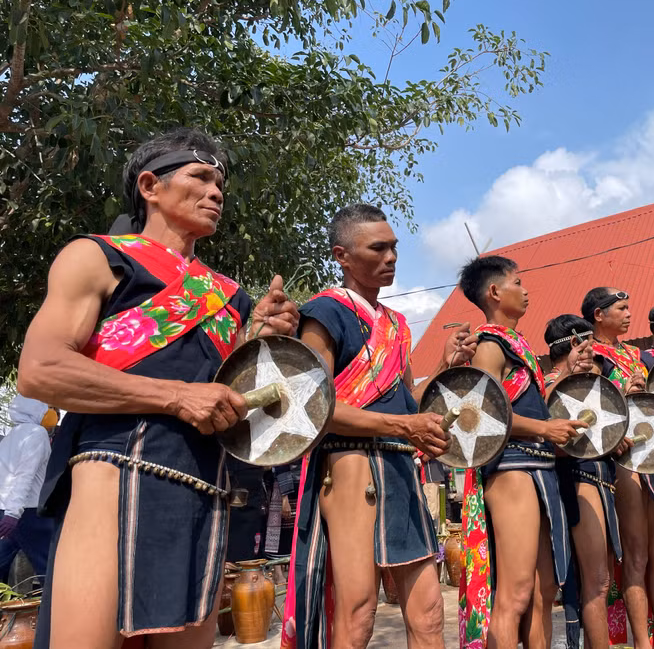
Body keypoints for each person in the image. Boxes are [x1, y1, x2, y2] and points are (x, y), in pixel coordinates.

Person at [18, 128, 300, 649]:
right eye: (200, 177)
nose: (217, 193)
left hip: (205, 486)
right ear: (150, 185)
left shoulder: (229, 297)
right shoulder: (97, 257)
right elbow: (42, 370)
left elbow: (226, 401)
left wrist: (262, 339)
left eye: (221, 185)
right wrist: (175, 396)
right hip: (111, 474)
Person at [286, 203, 476, 649]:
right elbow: (311, 404)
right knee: (358, 611)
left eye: (394, 247)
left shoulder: (396, 325)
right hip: (350, 461)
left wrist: (447, 364)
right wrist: (403, 424)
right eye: (378, 248)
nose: (391, 257)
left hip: (399, 467)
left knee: (430, 612)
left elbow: (405, 398)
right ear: (342, 255)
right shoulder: (323, 312)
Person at [459, 256, 585, 648]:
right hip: (513, 465)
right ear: (495, 292)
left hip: (539, 466)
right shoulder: (490, 346)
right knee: (514, 594)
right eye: (517, 282)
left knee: (544, 591)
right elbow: (479, 413)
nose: (526, 289)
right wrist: (544, 428)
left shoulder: (517, 344)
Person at [583, 290, 654, 649]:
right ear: (599, 315)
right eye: (621, 309)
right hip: (622, 459)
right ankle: (641, 640)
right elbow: (593, 405)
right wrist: (625, 389)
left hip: (651, 451)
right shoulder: (591, 355)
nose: (629, 314)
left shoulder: (634, 354)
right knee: (637, 554)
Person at [544, 314, 627, 649]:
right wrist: (566, 372)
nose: (593, 350)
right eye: (587, 343)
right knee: (596, 579)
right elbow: (548, 429)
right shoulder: (550, 381)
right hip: (575, 479)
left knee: (600, 578)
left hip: (599, 478)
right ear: (573, 344)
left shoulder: (587, 380)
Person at [0, 395, 56, 584]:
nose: (51, 413)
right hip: (28, 512)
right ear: (35, 410)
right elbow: (25, 474)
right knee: (50, 566)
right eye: (45, 408)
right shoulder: (37, 433)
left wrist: (8, 513)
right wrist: (14, 513)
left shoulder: (11, 436)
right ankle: (52, 611)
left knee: (1, 562)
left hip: (6, 511)